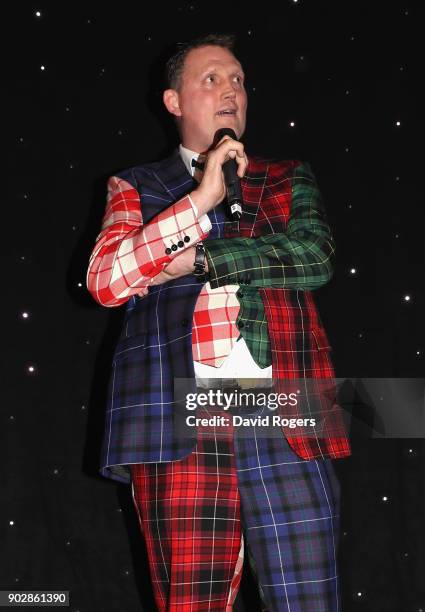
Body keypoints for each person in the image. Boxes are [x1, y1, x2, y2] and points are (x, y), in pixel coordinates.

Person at [86, 33, 351, 612]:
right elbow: (106, 279)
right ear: (174, 102)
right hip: (178, 421)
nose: (231, 89)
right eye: (211, 78)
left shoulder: (286, 176)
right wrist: (199, 201)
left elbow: (314, 255)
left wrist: (199, 259)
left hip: (287, 415)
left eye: (238, 80)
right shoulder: (137, 186)